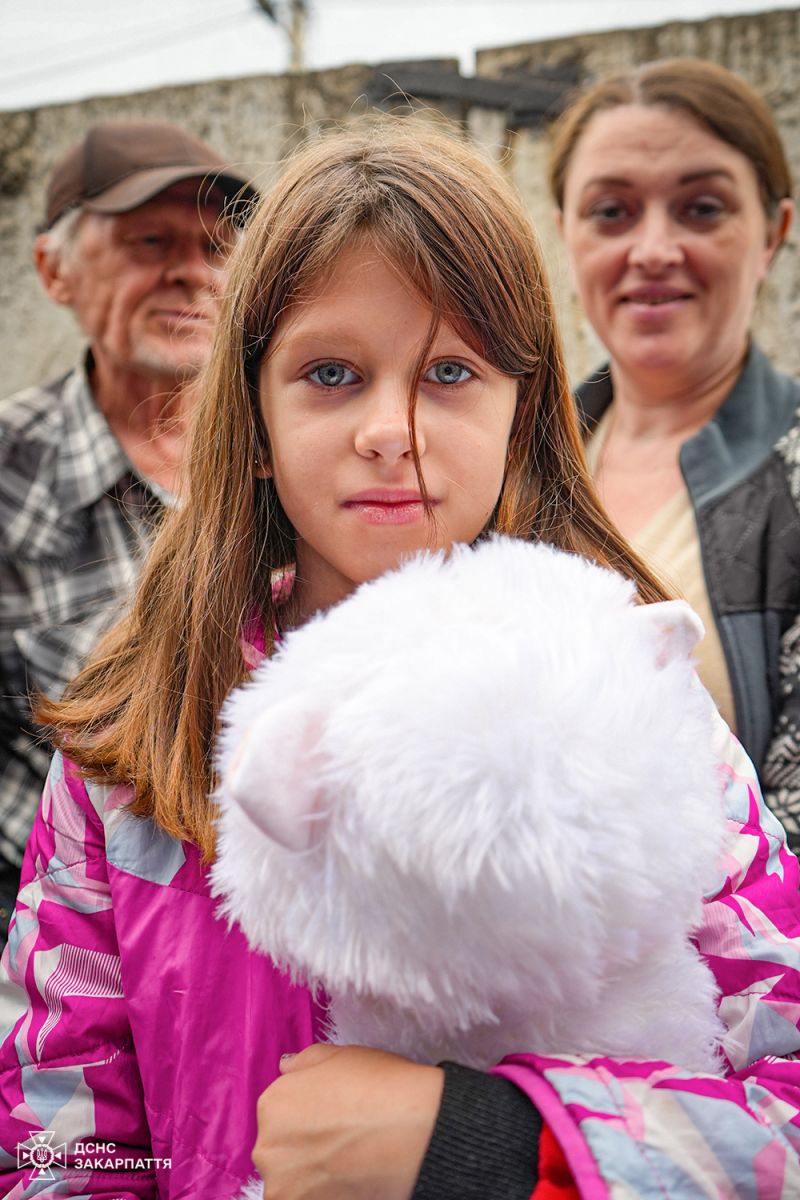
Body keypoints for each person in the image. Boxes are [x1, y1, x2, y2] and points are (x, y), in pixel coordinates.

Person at [1, 117, 799, 1200]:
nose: (389, 428)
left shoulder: (640, 711)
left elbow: (783, 1105)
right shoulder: (132, 749)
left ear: (523, 412)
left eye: (449, 372)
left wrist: (503, 1144)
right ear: (256, 416)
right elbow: (60, 1146)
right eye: (330, 372)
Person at [0, 120, 255, 940]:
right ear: (54, 269)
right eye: (150, 240)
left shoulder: (300, 459)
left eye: (219, 246)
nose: (190, 271)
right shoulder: (11, 474)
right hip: (68, 959)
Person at [548, 58, 800, 851]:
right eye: (612, 212)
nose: (653, 249)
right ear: (566, 234)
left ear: (773, 234)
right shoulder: (504, 464)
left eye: (701, 208)